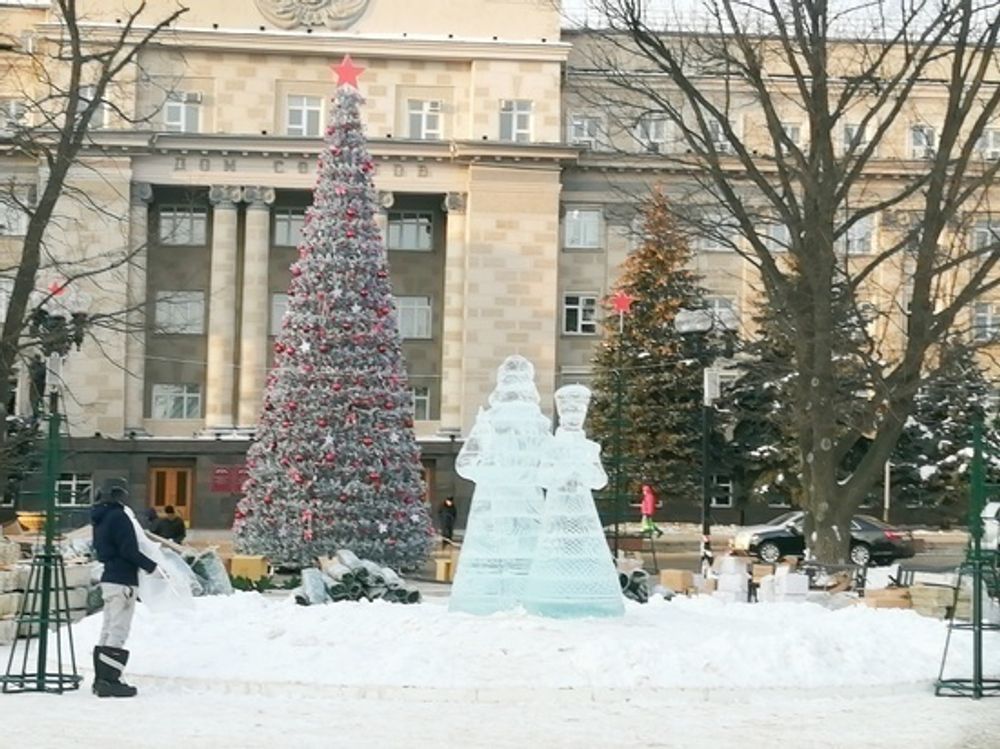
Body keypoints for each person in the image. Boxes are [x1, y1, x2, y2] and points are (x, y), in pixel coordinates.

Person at [91, 478, 158, 698]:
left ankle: (101, 679)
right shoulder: (119, 517)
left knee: (108, 628)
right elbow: (129, 550)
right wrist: (152, 567)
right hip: (123, 580)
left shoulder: (99, 519)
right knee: (118, 630)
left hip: (109, 577)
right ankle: (111, 681)